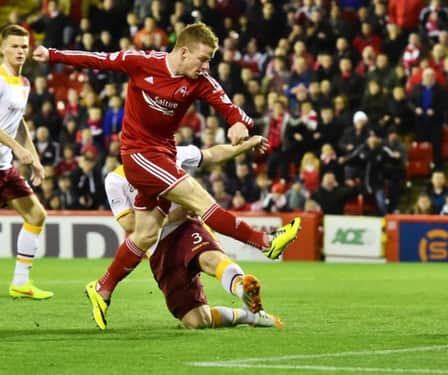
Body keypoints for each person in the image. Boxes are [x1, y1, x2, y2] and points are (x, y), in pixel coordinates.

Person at [32, 22, 301, 330]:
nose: (206, 66)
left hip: (165, 155)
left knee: (146, 234)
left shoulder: (199, 80)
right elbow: (98, 59)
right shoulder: (142, 62)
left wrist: (238, 123)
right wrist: (51, 54)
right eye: (202, 58)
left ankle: (102, 288)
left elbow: (225, 103)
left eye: (210, 60)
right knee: (201, 201)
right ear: (183, 52)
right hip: (138, 155)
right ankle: (266, 242)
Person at [106, 136, 281, 329]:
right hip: (158, 249)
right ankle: (249, 316)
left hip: (186, 228)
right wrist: (170, 216)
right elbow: (129, 223)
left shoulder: (172, 154)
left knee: (210, 259)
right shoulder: (115, 179)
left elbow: (213, 154)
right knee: (198, 321)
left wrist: (248, 144)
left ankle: (243, 287)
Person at [0, 25, 52, 299]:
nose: (20, 51)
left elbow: (18, 122)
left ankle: (20, 282)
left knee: (36, 215)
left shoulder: (24, 84)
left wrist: (34, 159)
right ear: (2, 48)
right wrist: (19, 149)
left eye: (24, 46)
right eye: (14, 46)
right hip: (7, 159)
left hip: (4, 166)